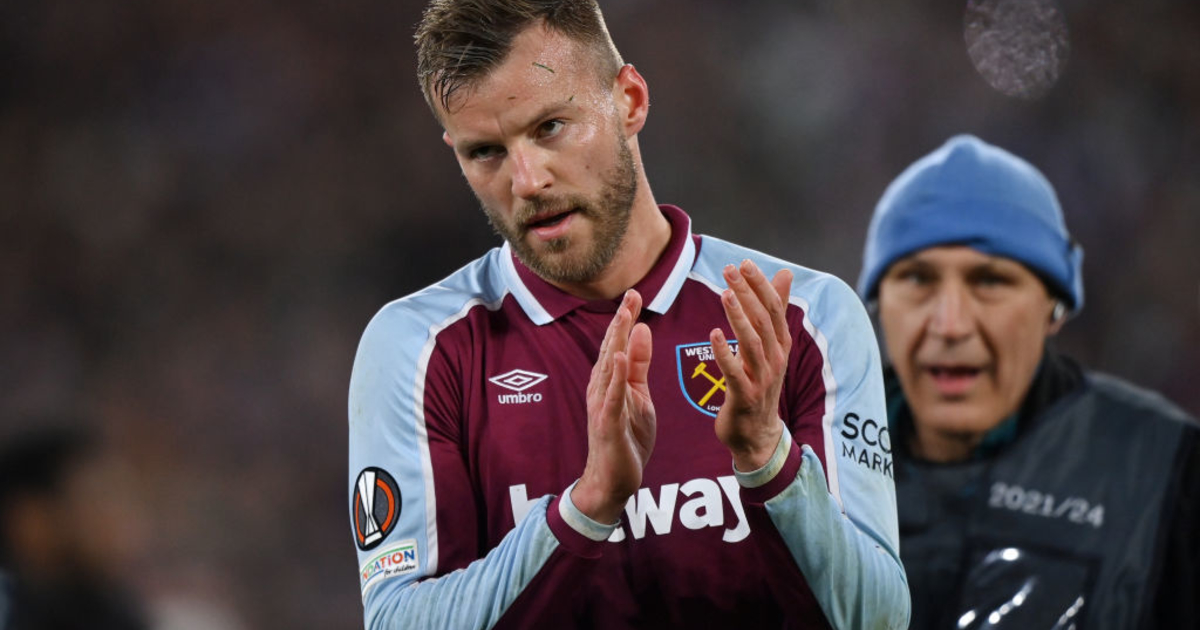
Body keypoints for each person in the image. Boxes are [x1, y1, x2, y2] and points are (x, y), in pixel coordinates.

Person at [347, 1, 910, 628]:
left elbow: (879, 617)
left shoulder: (803, 317)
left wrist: (767, 458)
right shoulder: (419, 350)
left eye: (550, 127)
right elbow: (398, 619)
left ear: (630, 100)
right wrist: (587, 507)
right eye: (486, 152)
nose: (526, 181)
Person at [857, 134, 1200, 629]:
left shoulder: (1167, 473)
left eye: (990, 281)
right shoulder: (804, 461)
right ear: (877, 303)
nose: (950, 324)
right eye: (917, 278)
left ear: (1054, 308)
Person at [0, 425, 149, 630]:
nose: (124, 518)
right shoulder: (11, 614)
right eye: (100, 498)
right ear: (32, 520)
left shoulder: (115, 612)